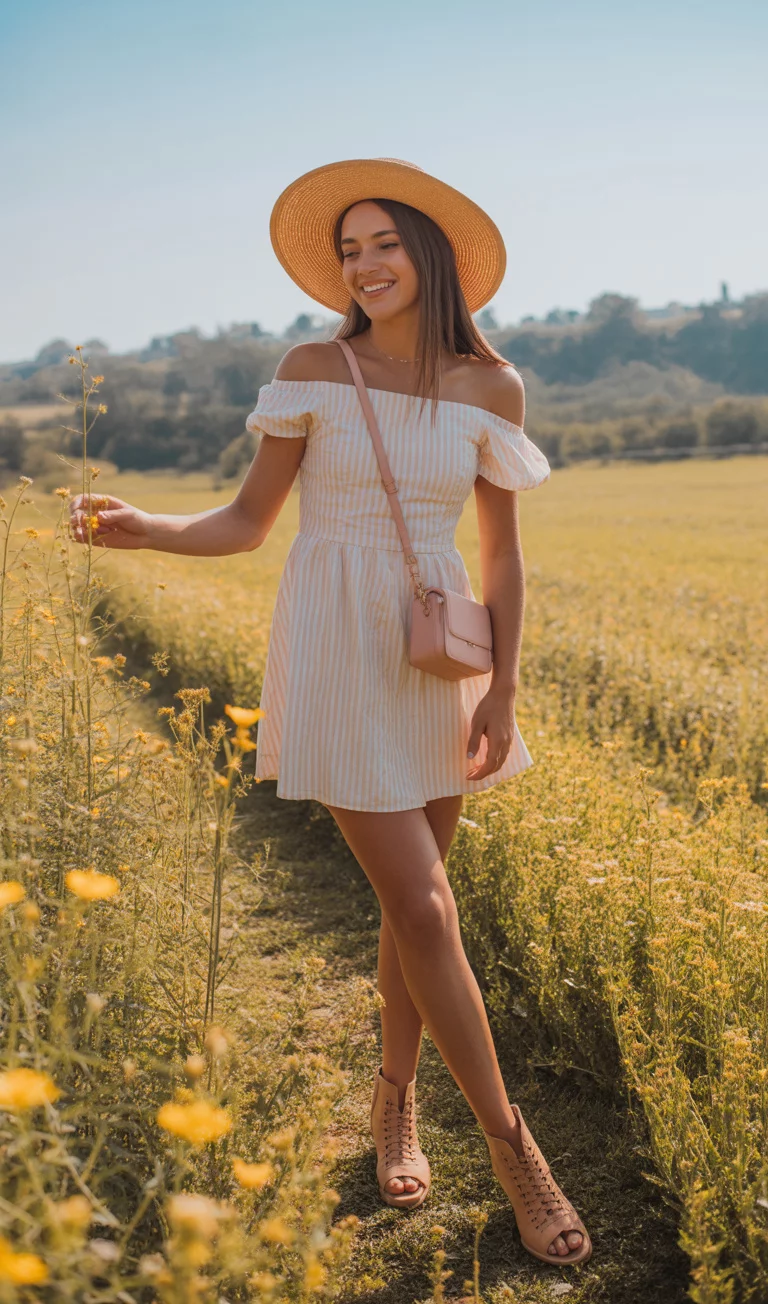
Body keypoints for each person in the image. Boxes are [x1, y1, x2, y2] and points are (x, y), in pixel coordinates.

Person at [69, 159, 591, 1267]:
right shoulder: (313, 368)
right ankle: (515, 1148)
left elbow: (503, 556)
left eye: (383, 244)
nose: (364, 265)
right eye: (350, 249)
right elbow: (251, 521)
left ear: (431, 255)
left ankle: (393, 1094)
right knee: (429, 908)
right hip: (337, 649)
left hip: (437, 654)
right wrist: (146, 528)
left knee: (417, 909)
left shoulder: (493, 390)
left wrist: (500, 686)